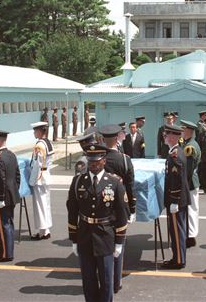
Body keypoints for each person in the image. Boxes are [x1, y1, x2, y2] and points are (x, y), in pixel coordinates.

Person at [67, 144, 129, 302]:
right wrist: (74, 239)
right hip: (85, 235)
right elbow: (72, 212)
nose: (93, 164)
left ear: (104, 161)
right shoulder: (78, 182)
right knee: (88, 281)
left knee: (107, 281)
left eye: (97, 160)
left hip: (106, 236)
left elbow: (122, 214)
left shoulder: (115, 183)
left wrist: (119, 242)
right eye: (90, 160)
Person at [99, 124, 136, 294]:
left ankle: (105, 280)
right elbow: (130, 186)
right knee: (119, 244)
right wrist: (133, 208)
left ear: (103, 140)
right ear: (116, 139)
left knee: (104, 246)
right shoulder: (124, 159)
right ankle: (116, 281)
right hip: (121, 206)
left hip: (102, 208)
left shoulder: (98, 159)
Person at [161, 124, 190, 269]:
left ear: (173, 137)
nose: (164, 138)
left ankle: (179, 260)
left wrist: (174, 201)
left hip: (176, 200)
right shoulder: (176, 151)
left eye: (166, 135)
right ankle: (178, 257)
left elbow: (176, 180)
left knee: (177, 231)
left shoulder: (175, 155)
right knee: (178, 230)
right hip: (179, 199)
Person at [0, 129, 21, 262]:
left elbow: (0, 180)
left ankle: (5, 255)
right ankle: (8, 252)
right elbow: (17, 176)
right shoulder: (11, 155)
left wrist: (0, 198)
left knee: (3, 226)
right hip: (12, 194)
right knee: (9, 223)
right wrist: (14, 190)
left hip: (3, 197)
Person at [29, 122, 54, 240]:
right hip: (46, 175)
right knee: (46, 204)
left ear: (40, 131)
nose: (34, 133)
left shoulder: (39, 145)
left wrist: (31, 181)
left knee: (40, 205)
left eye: (35, 131)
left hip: (39, 177)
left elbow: (36, 165)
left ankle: (41, 232)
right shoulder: (48, 142)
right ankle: (46, 229)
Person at [180, 120, 201, 248]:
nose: (181, 132)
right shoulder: (189, 143)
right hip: (191, 181)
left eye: (183, 129)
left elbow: (189, 168)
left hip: (190, 182)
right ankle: (190, 234)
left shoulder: (190, 146)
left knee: (191, 210)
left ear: (188, 131)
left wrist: (184, 184)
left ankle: (191, 237)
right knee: (190, 209)